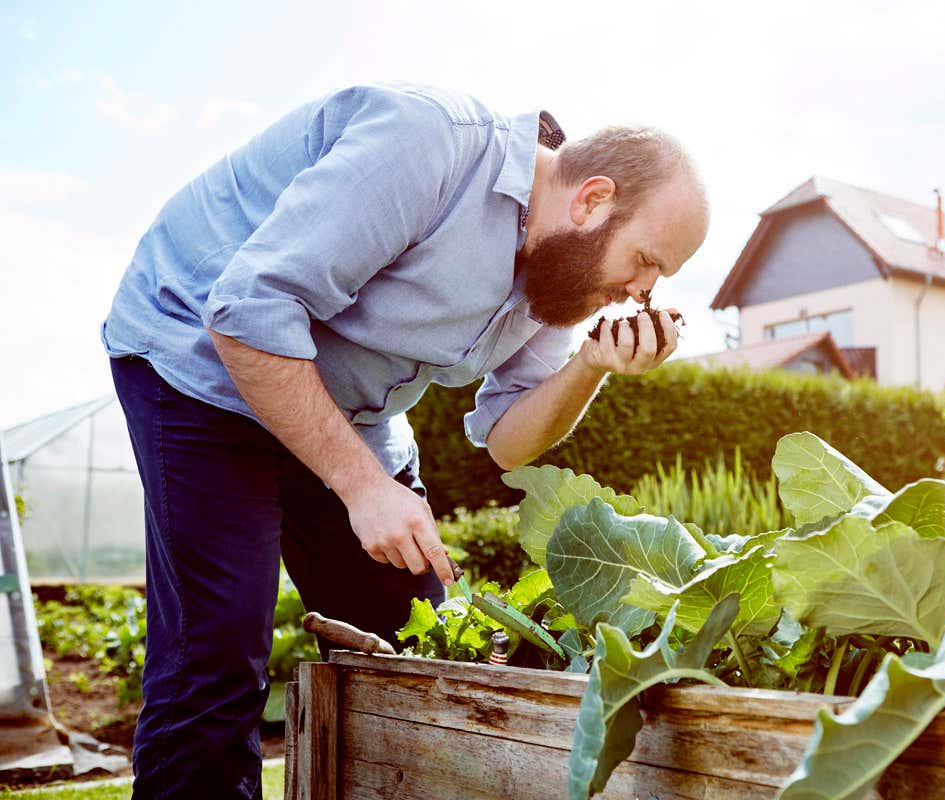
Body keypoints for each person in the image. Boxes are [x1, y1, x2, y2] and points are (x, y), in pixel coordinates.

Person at [101, 80, 708, 799]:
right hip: (199, 358)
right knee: (220, 653)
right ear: (592, 199)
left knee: (422, 647)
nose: (642, 290)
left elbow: (507, 442)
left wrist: (591, 364)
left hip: (343, 408)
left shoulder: (558, 277)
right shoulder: (429, 143)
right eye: (647, 261)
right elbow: (247, 311)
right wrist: (362, 487)